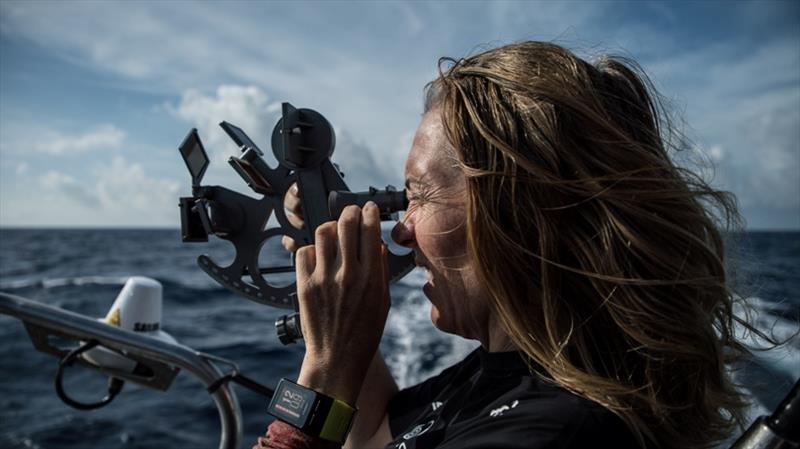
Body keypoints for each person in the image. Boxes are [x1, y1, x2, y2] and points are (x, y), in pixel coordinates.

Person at [255, 41, 757, 449]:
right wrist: (340, 336)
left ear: (514, 214)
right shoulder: (508, 375)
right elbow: (369, 433)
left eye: (419, 195)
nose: (402, 229)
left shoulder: (556, 433)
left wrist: (327, 367)